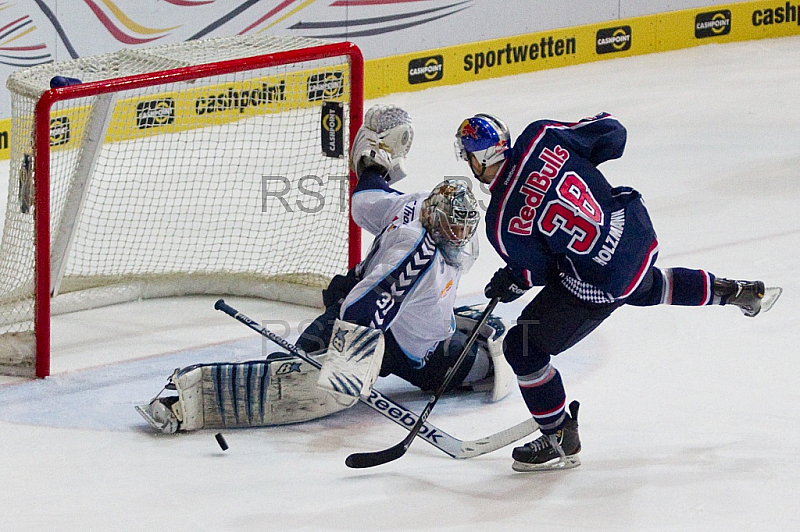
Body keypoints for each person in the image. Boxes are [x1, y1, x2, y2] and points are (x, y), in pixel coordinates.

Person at [136, 106, 513, 434]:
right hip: (387, 337)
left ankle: (466, 345)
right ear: (435, 219)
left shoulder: (414, 205)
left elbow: (366, 201)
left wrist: (373, 166)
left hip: (419, 344)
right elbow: (362, 309)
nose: (457, 238)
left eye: (462, 231)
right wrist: (347, 368)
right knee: (293, 374)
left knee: (483, 367)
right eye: (452, 229)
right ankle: (190, 401)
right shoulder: (418, 259)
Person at [454, 112, 783, 472]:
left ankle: (559, 436)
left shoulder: (502, 219)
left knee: (524, 346)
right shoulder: (542, 136)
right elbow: (613, 133)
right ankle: (735, 291)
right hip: (634, 233)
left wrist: (514, 279)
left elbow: (542, 272)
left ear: (480, 158)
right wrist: (572, 169)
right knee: (640, 282)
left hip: (603, 277)